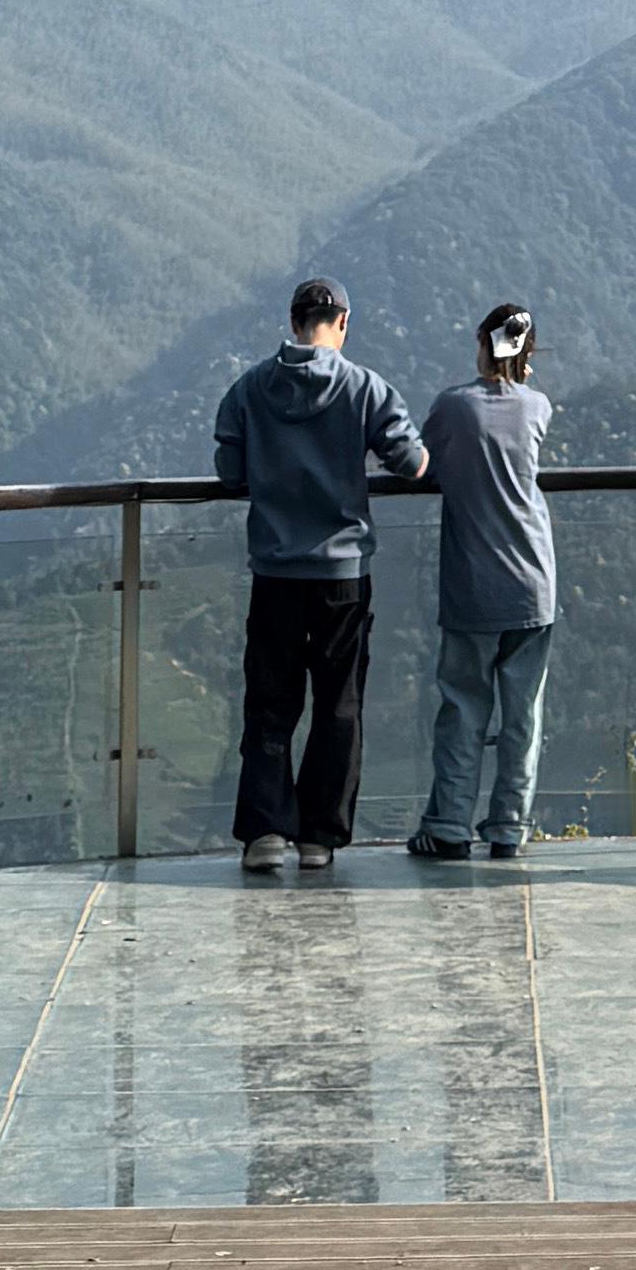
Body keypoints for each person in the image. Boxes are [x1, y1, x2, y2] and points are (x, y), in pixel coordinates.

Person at [212, 280, 428, 877]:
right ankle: (319, 837)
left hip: (276, 571)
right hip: (343, 575)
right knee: (339, 703)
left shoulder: (250, 389)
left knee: (270, 702)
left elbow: (229, 473)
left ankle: (263, 832)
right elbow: (411, 463)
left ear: (294, 319)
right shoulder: (365, 389)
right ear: (343, 322)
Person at [407, 302, 558, 864]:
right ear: (528, 352)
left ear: (479, 343)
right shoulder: (538, 408)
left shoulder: (452, 407)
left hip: (472, 582)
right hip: (533, 582)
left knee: (464, 708)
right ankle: (508, 830)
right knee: (523, 715)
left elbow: (422, 463)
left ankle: (448, 826)